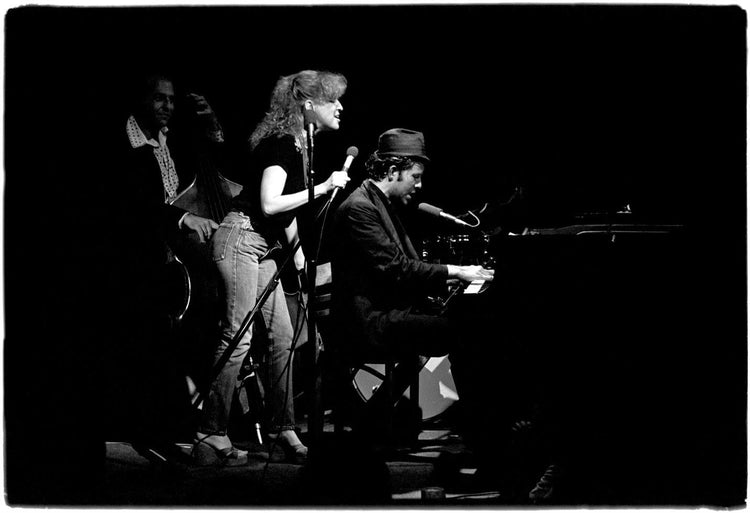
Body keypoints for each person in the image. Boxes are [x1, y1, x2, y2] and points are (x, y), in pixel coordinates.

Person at [194, 70, 350, 465]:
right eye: (334, 100)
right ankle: (210, 432)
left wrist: (297, 256)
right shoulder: (282, 143)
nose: (341, 107)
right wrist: (326, 186)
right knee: (238, 335)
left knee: (283, 336)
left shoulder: (300, 146)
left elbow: (288, 212)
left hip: (263, 247)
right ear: (309, 104)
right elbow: (269, 204)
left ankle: (283, 429)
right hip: (240, 239)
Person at [331, 128, 495, 431]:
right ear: (393, 170)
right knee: (467, 333)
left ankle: (372, 422)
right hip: (368, 320)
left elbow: (404, 267)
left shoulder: (378, 203)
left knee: (456, 330)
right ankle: (481, 429)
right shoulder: (360, 209)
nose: (419, 185)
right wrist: (455, 271)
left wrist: (448, 278)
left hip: (384, 311)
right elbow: (395, 268)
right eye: (415, 176)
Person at [102, 73, 224, 463]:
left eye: (170, 99)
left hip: (168, 253)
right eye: (159, 99)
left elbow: (215, 171)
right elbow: (132, 202)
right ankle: (141, 429)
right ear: (141, 100)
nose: (167, 106)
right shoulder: (124, 143)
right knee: (142, 341)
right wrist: (181, 220)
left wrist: (210, 123)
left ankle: (176, 420)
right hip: (133, 256)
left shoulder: (172, 137)